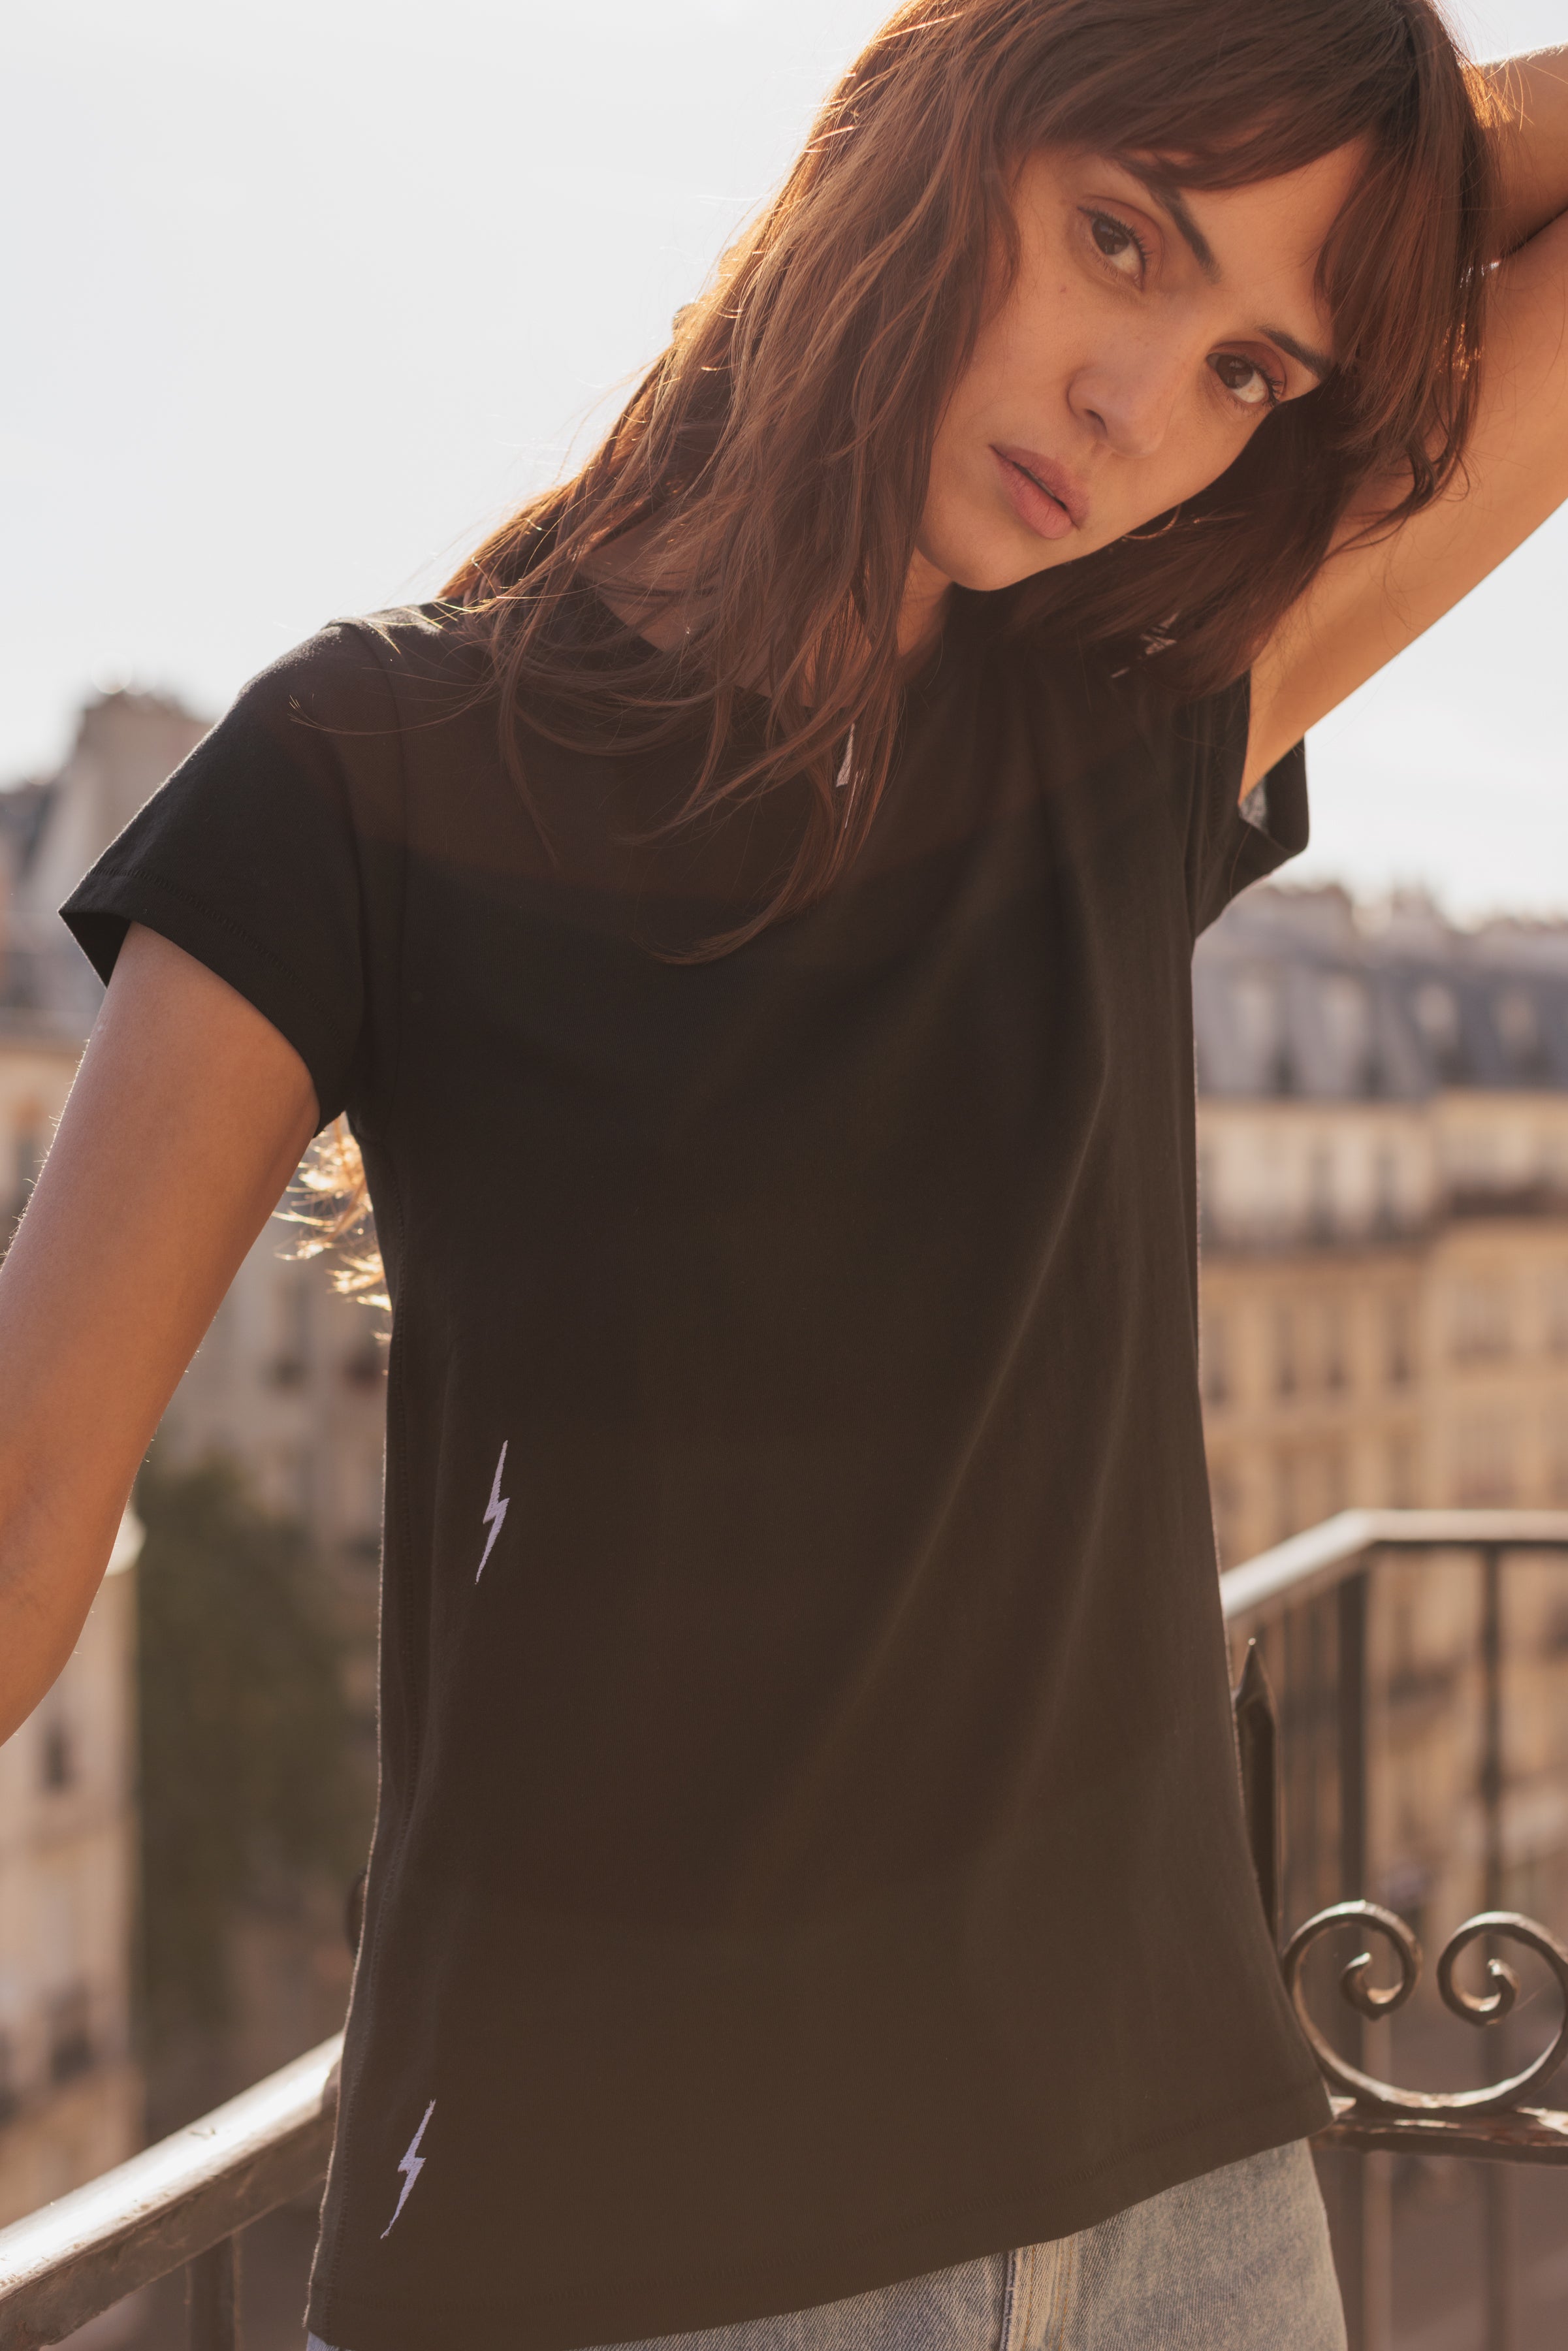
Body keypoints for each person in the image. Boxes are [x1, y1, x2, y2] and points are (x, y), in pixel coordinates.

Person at [2, 2, 1565, 2345]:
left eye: (1253, 365)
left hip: (1186, 2216)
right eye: (1119, 238)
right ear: (937, 144)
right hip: (636, 2259)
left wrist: (1347, 130)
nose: (1145, 404)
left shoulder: (1126, 729)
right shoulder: (366, 764)